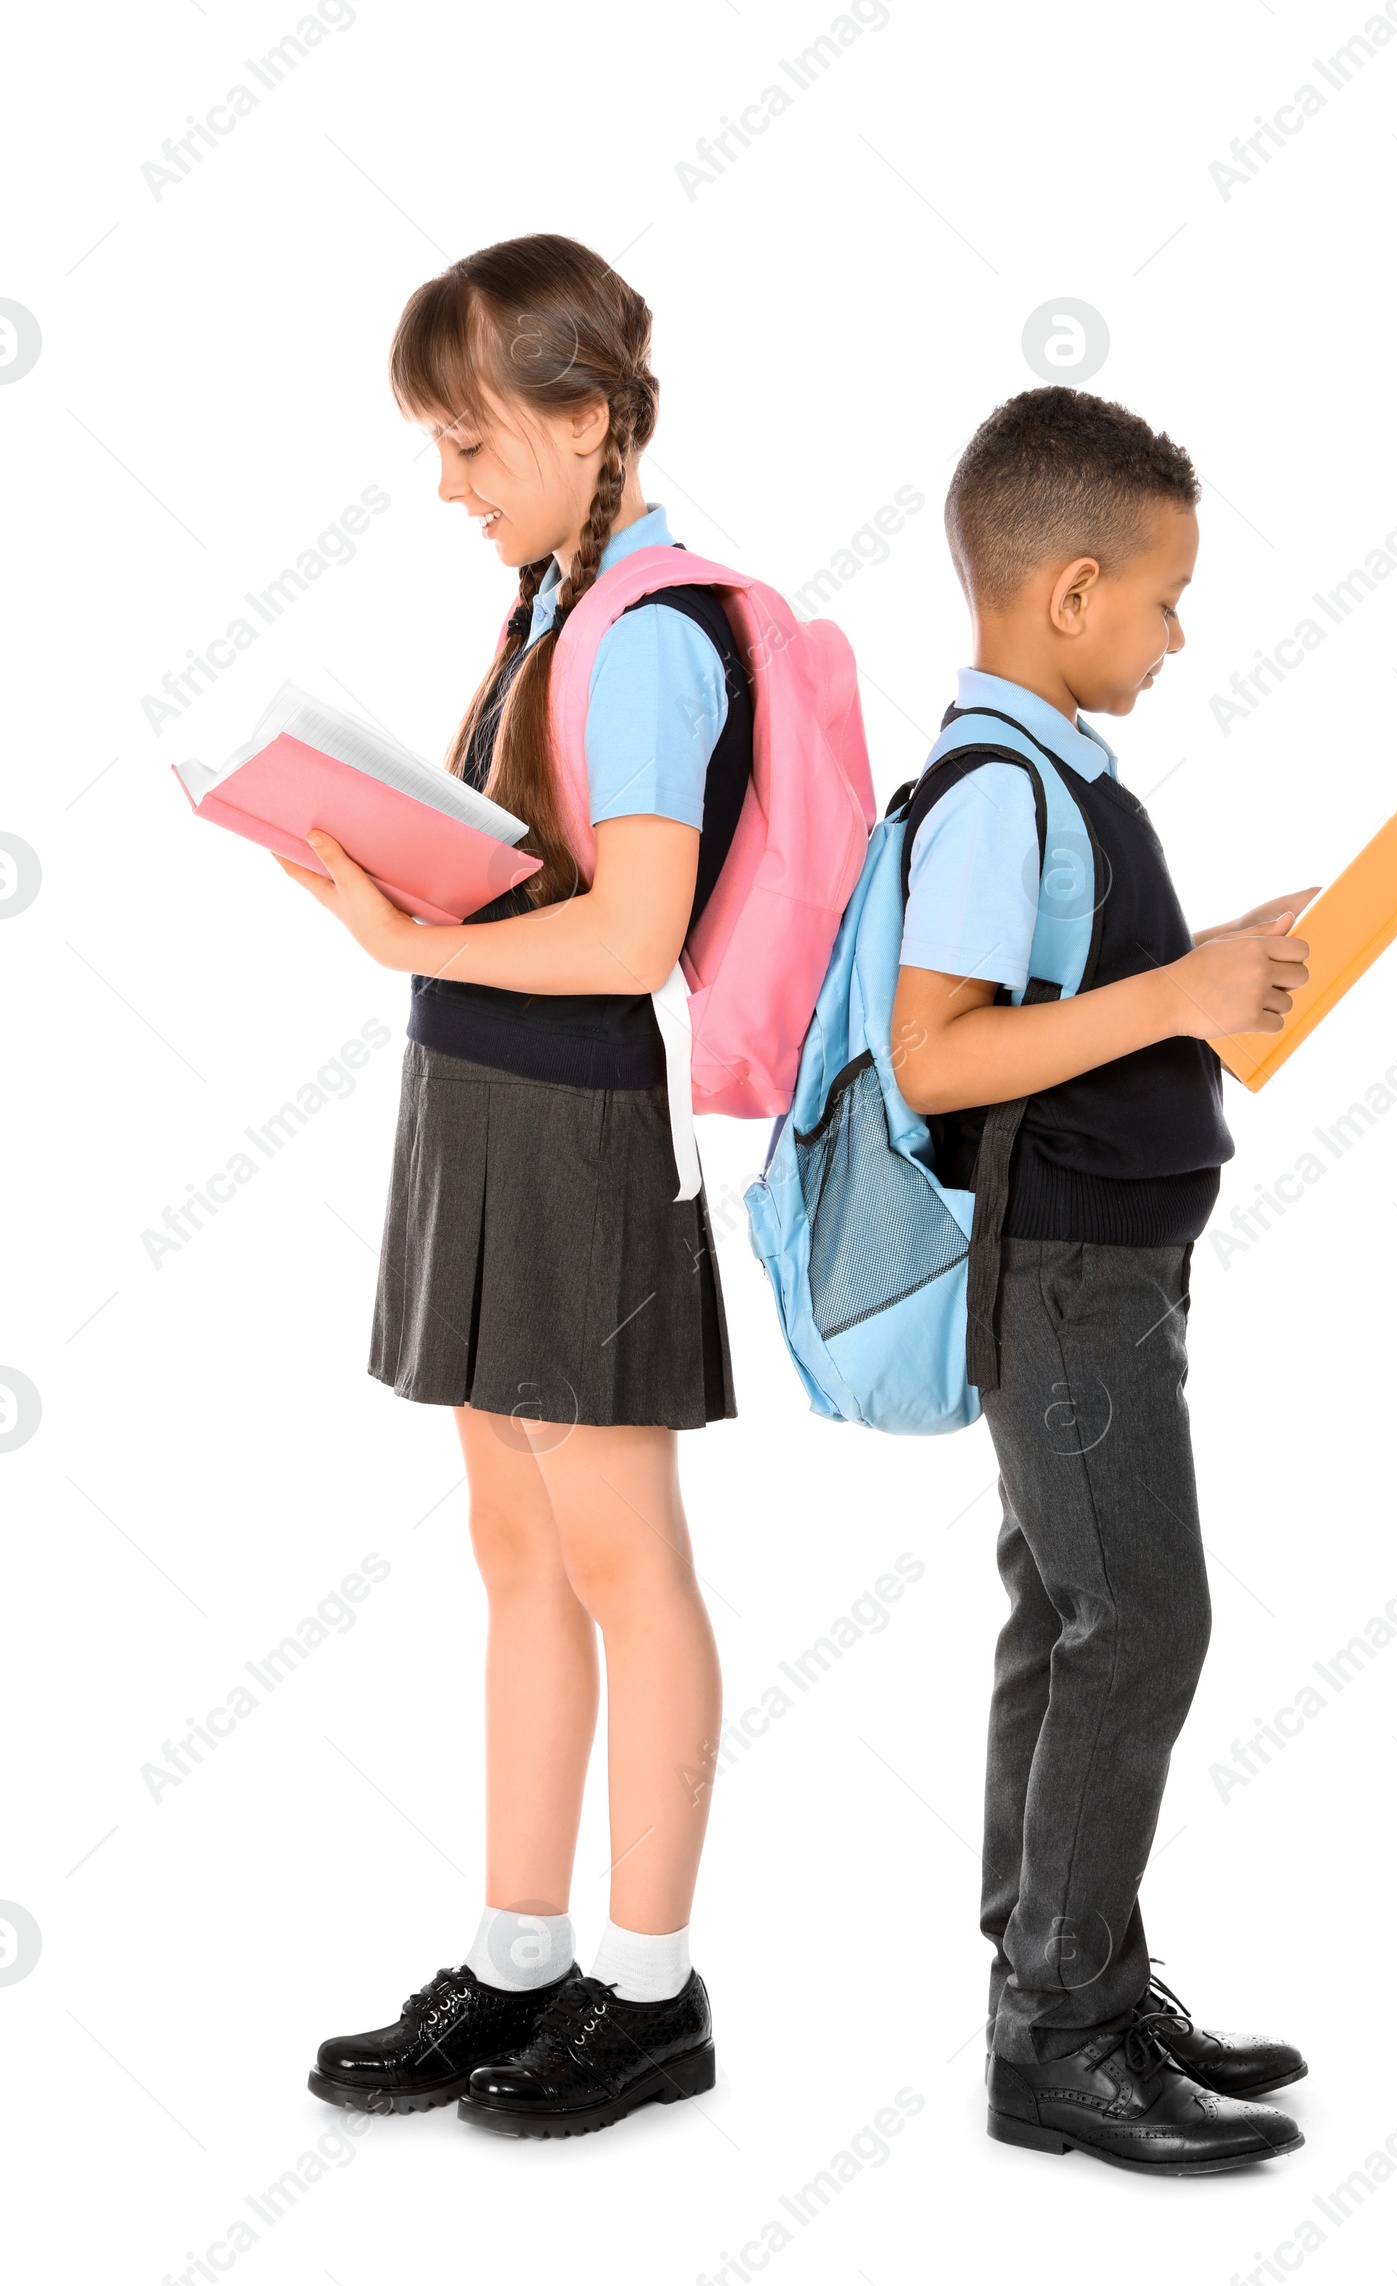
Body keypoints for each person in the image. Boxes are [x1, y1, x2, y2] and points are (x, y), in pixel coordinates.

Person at [285, 234, 739, 2137]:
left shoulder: (643, 630)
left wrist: (404, 935)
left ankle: (649, 1992)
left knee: (626, 1560)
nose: (451, 487)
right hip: (481, 1108)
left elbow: (634, 932)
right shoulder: (557, 606)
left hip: (571, 1130)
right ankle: (524, 1954)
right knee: (518, 1548)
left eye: (472, 444)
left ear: (583, 420)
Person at [893, 386, 1315, 2175]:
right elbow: (936, 1055)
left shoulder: (1060, 777)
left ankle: (1066, 1968)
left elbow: (1070, 1021)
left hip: (1106, 1270)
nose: (1176, 629)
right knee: (1140, 1618)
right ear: (1069, 591)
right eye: (1160, 596)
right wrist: (1178, 997)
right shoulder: (999, 787)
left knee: (1064, 1615)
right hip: (1063, 1277)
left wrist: (1217, 974)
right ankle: (1057, 2033)